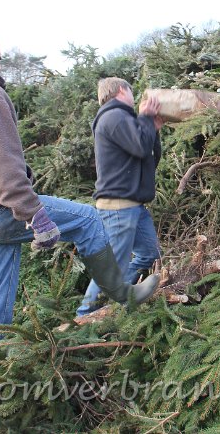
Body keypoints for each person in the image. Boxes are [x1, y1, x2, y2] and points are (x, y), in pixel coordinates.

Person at [0, 30, 159, 373]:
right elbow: (4, 165)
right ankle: (124, 294)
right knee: (89, 221)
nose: (1, 65)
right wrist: (37, 216)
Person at [77, 77, 163, 317]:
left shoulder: (126, 120)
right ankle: (84, 314)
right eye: (131, 91)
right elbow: (140, 146)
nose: (135, 97)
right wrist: (145, 118)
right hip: (118, 207)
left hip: (134, 205)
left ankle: (119, 296)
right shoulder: (113, 117)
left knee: (148, 252)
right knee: (112, 267)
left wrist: (152, 129)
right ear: (121, 91)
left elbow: (149, 158)